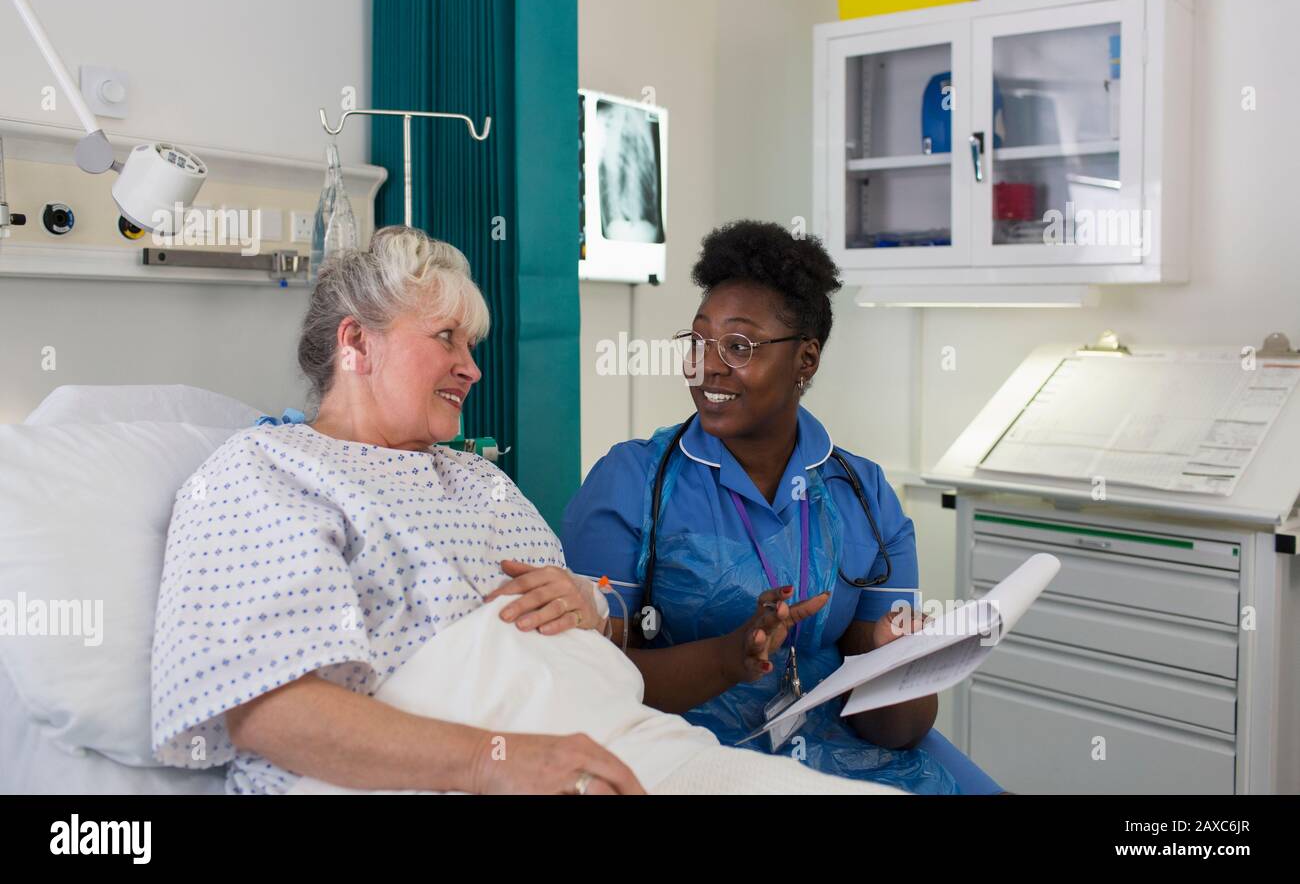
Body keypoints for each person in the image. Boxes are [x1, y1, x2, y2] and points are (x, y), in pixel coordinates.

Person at [149, 225, 898, 796]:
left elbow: (591, 652)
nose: (472, 366)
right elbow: (267, 712)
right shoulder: (267, 475)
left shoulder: (481, 484)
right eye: (446, 337)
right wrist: (498, 759)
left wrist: (588, 604)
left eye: (472, 344)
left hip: (619, 746)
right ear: (356, 346)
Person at [561, 219, 960, 793]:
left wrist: (903, 664)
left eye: (739, 346)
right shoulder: (632, 481)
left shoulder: (863, 495)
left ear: (806, 360)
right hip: (682, 758)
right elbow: (588, 680)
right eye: (698, 341)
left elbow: (897, 731)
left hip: (836, 756)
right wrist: (730, 658)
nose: (708, 365)